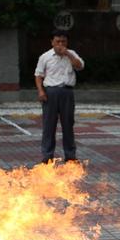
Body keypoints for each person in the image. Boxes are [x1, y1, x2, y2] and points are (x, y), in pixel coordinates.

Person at [34, 30, 84, 163]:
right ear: (52, 42)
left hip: (67, 92)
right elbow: (38, 76)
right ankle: (47, 156)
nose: (60, 44)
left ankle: (70, 156)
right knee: (49, 125)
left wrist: (68, 53)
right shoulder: (45, 57)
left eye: (63, 41)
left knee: (68, 125)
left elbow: (80, 66)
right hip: (50, 92)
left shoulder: (72, 54)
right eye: (57, 41)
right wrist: (41, 91)